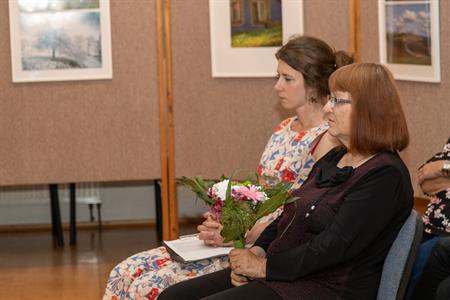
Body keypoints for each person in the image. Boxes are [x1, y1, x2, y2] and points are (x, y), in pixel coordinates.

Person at [103, 35, 353, 300]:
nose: (277, 86)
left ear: (313, 83)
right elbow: (261, 194)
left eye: (287, 79)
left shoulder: (327, 140)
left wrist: (238, 232)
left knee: (147, 285)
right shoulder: (284, 128)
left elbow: (300, 218)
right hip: (244, 236)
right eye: (277, 77)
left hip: (268, 248)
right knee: (124, 271)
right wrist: (225, 217)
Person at [158, 62, 413, 300]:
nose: (326, 108)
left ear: (368, 110)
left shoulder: (385, 175)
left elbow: (333, 248)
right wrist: (257, 251)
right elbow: (289, 214)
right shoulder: (336, 157)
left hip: (325, 287)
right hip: (285, 272)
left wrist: (265, 267)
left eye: (337, 101)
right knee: (173, 296)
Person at [408, 137, 450, 300]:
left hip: (445, 237)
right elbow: (424, 178)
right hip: (426, 227)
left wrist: (442, 169)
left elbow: (436, 172)